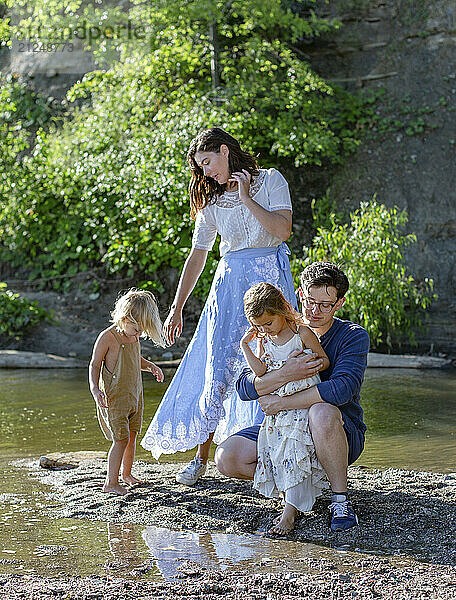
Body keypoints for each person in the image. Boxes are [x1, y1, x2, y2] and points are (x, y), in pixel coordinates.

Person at [141, 127, 296, 486]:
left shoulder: (271, 180)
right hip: (228, 288)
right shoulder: (210, 203)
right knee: (219, 367)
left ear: (225, 151)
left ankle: (273, 450)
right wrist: (177, 307)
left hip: (269, 283)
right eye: (201, 167)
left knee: (273, 361)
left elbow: (283, 230)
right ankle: (200, 458)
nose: (206, 172)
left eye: (208, 162)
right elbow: (198, 255)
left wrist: (246, 197)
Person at [215, 262, 369, 532]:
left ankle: (340, 499)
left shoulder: (352, 336)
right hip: (282, 424)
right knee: (227, 458)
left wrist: (281, 401)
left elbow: (342, 389)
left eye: (325, 304)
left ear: (339, 303)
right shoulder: (273, 328)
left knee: (320, 412)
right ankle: (298, 486)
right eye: (310, 301)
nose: (315, 311)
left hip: (337, 429)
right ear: (299, 294)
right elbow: (244, 387)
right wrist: (286, 374)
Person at [240, 282, 330, 535]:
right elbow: (260, 373)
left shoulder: (301, 333)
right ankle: (292, 498)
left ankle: (289, 514)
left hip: (301, 401)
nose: (263, 329)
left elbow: (324, 361)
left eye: (268, 323)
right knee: (277, 452)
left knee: (294, 447)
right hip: (278, 408)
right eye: (258, 326)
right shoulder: (264, 340)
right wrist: (245, 346)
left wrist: (303, 363)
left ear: (282, 311)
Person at [89, 289, 165, 495]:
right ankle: (110, 483)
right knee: (120, 439)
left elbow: (134, 359)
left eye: (142, 331)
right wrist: (95, 389)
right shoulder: (108, 337)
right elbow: (95, 365)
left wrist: (150, 366)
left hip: (134, 396)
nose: (139, 334)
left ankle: (127, 474)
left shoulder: (133, 338)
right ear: (123, 318)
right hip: (114, 398)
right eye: (136, 329)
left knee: (131, 437)